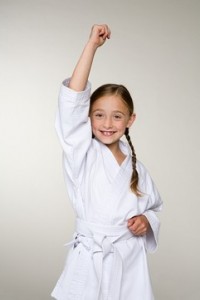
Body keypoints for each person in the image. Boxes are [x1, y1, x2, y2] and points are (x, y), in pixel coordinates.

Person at [51, 24, 162, 300]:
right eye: (98, 115)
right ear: (87, 118)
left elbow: (154, 207)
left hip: (129, 260)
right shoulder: (82, 152)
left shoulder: (137, 167)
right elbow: (71, 103)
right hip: (91, 258)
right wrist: (91, 46)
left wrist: (145, 221)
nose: (107, 124)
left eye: (117, 116)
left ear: (130, 120)